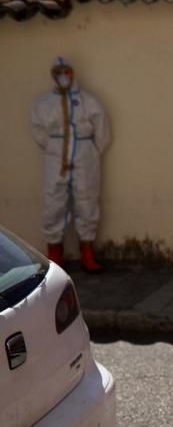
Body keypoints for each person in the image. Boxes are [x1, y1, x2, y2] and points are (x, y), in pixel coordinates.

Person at [31, 56, 111, 273]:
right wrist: (54, 147)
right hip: (55, 153)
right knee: (53, 199)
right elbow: (38, 130)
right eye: (59, 72)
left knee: (87, 197)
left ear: (73, 73)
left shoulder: (88, 101)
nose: (63, 76)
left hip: (84, 153)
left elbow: (102, 129)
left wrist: (92, 151)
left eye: (67, 71)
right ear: (53, 74)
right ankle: (55, 253)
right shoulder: (44, 103)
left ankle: (87, 251)